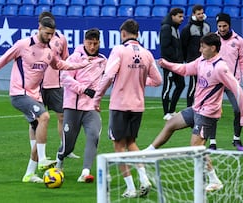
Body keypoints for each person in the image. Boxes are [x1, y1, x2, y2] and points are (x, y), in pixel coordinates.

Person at [0, 17, 91, 182]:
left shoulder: (49, 51)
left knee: (38, 132)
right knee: (45, 117)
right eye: (47, 33)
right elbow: (0, 63)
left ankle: (29, 174)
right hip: (19, 94)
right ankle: (42, 160)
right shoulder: (23, 45)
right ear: (39, 28)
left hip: (35, 96)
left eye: (52, 34)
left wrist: (81, 65)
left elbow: (60, 65)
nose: (50, 37)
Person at [144, 32, 243, 192]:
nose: (200, 50)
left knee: (195, 146)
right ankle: (149, 153)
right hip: (196, 109)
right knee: (171, 123)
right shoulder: (202, 60)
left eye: (203, 47)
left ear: (213, 48)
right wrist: (167, 64)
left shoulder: (220, 67)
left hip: (208, 114)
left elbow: (237, 90)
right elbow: (186, 69)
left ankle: (214, 180)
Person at [93, 19, 163, 198]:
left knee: (118, 146)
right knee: (131, 142)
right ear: (137, 34)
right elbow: (158, 80)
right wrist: (139, 81)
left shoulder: (119, 50)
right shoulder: (147, 54)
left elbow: (109, 75)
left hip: (120, 105)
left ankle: (131, 187)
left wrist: (97, 98)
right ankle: (144, 178)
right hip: (137, 106)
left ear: (123, 33)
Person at [55, 28, 107, 183]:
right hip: (73, 107)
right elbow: (65, 78)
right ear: (84, 41)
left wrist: (98, 98)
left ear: (99, 43)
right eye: (90, 43)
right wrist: (83, 89)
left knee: (94, 135)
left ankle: (85, 172)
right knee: (68, 145)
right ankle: (59, 160)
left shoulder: (103, 61)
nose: (92, 47)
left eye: (95, 43)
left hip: (91, 108)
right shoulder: (74, 58)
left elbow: (106, 80)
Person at [39, 12, 80, 159]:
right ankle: (38, 152)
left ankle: (65, 148)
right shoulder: (32, 40)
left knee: (62, 116)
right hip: (38, 84)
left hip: (56, 84)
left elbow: (65, 60)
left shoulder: (61, 39)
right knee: (38, 119)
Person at [211, 13, 243, 151]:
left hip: (232, 82)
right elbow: (204, 59)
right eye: (219, 26)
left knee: (238, 109)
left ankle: (236, 139)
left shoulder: (239, 41)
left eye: (224, 26)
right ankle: (212, 142)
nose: (222, 29)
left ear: (229, 25)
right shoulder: (212, 39)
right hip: (215, 83)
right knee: (212, 112)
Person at [180, 4, 211, 107]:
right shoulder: (188, 28)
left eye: (202, 13)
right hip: (193, 61)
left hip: (205, 60)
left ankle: (201, 105)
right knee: (193, 85)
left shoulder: (207, 27)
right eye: (199, 14)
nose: (201, 15)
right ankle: (189, 107)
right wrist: (186, 60)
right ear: (194, 14)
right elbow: (183, 45)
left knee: (204, 84)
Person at [160, 7, 185, 120]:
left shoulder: (175, 28)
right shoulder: (166, 28)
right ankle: (166, 113)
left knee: (181, 85)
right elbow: (165, 47)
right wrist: (173, 60)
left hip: (177, 64)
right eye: (179, 16)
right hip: (169, 64)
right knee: (167, 87)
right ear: (173, 16)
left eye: (182, 16)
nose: (182, 19)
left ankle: (172, 110)